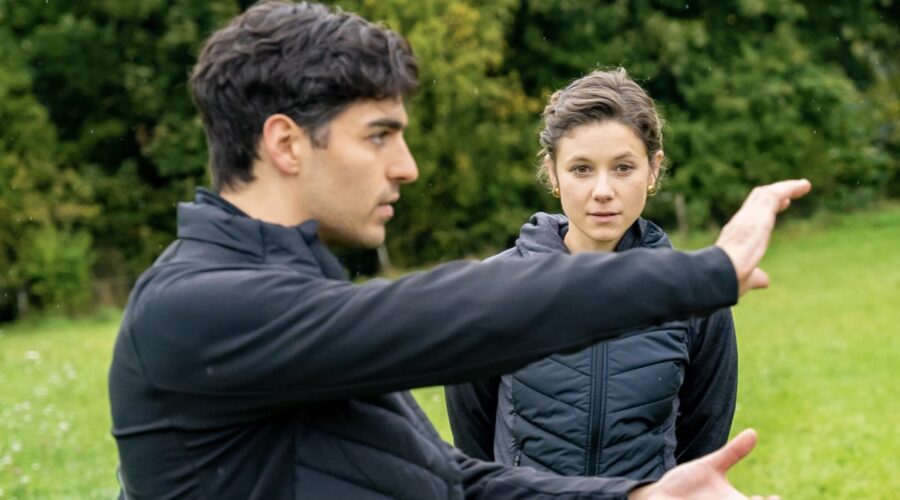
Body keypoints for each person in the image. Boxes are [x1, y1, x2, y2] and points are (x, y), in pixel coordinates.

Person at [107, 1, 810, 499]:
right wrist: (706, 272)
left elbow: (449, 478)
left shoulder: (299, 304)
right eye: (380, 135)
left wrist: (637, 498)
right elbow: (464, 313)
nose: (407, 166)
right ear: (287, 144)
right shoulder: (199, 308)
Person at [446, 69, 737, 481]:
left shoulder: (698, 302)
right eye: (581, 169)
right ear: (552, 171)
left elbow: (701, 446)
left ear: (653, 169)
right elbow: (473, 441)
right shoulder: (490, 292)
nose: (603, 190)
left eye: (622, 167)